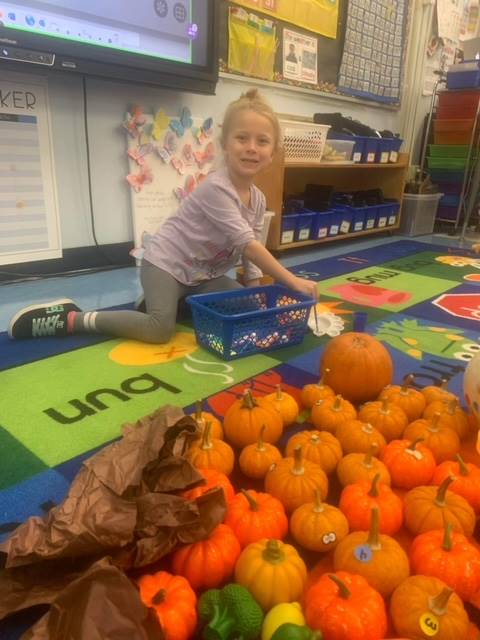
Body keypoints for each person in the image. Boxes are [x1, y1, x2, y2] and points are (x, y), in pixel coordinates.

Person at [9, 89, 318, 344]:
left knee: (246, 305)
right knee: (159, 329)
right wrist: (289, 281)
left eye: (262, 141)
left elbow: (249, 254)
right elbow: (248, 244)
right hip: (165, 266)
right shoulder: (217, 189)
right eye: (242, 138)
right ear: (224, 143)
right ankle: (75, 318)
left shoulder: (258, 199)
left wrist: (253, 284)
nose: (251, 148)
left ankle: (170, 302)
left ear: (273, 151)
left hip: (201, 277)